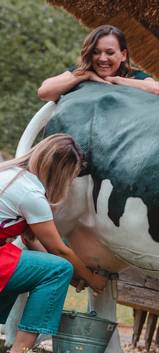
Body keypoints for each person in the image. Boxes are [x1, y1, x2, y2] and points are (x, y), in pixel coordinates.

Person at [0, 134, 107, 353]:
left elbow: (30, 240)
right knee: (59, 270)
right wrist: (92, 279)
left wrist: (75, 277)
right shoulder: (31, 193)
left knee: (33, 266)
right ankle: (20, 349)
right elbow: (58, 250)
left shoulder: (10, 174)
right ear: (61, 172)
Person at [38, 25, 159, 102]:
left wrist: (115, 80)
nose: (102, 58)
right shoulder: (82, 71)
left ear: (123, 55)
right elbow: (44, 92)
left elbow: (156, 90)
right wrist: (85, 76)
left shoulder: (132, 74)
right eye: (96, 52)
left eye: (109, 53)